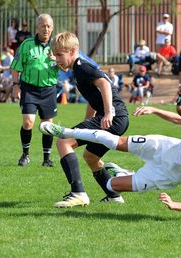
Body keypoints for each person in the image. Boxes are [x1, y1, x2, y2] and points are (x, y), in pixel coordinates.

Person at [40, 105, 181, 215]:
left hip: (165, 176)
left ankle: (122, 174)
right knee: (115, 142)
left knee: (110, 185)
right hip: (163, 147)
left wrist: (174, 204)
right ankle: (65, 131)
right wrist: (154, 110)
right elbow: (180, 120)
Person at [49, 31, 129, 208]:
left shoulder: (82, 67)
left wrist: (108, 113)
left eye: (59, 55)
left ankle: (78, 193)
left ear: (73, 51)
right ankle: (113, 195)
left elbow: (105, 84)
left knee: (63, 143)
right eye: (55, 55)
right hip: (117, 118)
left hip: (113, 118)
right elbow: (94, 98)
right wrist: (86, 125)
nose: (57, 59)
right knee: (90, 157)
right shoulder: (77, 69)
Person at [10, 14, 59, 167]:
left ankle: (47, 159)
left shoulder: (58, 46)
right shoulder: (26, 44)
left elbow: (66, 66)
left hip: (49, 90)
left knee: (47, 126)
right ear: (37, 27)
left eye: (49, 26)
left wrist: (57, 60)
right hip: (29, 89)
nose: (46, 29)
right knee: (28, 122)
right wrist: (15, 85)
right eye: (43, 26)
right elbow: (15, 66)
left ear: (52, 28)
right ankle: (25, 155)